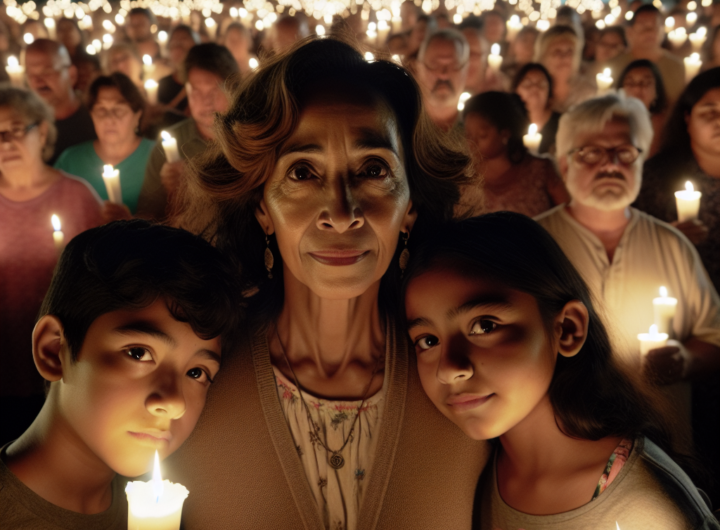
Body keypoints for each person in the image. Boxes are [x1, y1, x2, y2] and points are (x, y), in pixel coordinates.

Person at [165, 37, 488, 529]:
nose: (341, 213)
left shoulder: (472, 382)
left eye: (373, 169)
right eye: (303, 172)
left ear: (410, 208)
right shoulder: (194, 379)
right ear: (262, 209)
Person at [402, 212, 720, 530]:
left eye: (485, 326)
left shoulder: (644, 511)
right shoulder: (472, 469)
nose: (449, 368)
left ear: (567, 329)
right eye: (428, 340)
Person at [0, 219, 243, 527]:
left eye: (196, 372)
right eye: (139, 353)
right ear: (53, 350)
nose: (173, 402)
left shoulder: (166, 511)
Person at [536, 93, 720, 454]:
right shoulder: (533, 244)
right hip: (561, 443)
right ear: (563, 163)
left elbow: (713, 337)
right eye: (590, 152)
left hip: (661, 444)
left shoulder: (672, 246)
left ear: (641, 160)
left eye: (625, 152)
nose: (610, 165)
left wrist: (684, 362)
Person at [635, 69, 720, 503]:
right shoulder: (654, 178)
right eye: (710, 111)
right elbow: (631, 244)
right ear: (687, 117)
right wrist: (670, 238)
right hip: (680, 328)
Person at [0, 86, 102, 445]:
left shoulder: (76, 196)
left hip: (63, 362)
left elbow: (103, 280)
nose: (6, 141)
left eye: (16, 128)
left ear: (42, 131)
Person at [136, 43, 238, 222]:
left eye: (214, 90)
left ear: (232, 88)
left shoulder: (252, 139)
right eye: (196, 92)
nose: (206, 101)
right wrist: (173, 193)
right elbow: (148, 216)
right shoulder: (167, 146)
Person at [54, 73, 154, 220]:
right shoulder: (71, 160)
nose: (109, 119)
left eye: (118, 110)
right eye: (101, 110)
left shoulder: (157, 156)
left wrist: (131, 221)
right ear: (91, 115)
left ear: (137, 115)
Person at [460, 92, 568, 217]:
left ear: (505, 133)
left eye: (482, 135)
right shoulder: (463, 177)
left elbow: (568, 216)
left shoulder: (540, 170)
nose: (472, 142)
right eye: (468, 134)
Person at [24, 39, 97, 164]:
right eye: (31, 74)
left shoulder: (96, 118)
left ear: (72, 74)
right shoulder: (24, 127)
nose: (38, 81)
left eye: (47, 71)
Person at [607, 4, 685, 104]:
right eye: (642, 26)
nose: (649, 32)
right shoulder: (616, 64)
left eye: (654, 26)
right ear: (630, 31)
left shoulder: (676, 66)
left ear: (663, 30)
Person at [414, 29, 469, 131]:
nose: (443, 75)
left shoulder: (476, 131)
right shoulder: (401, 125)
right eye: (434, 65)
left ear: (466, 70)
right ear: (419, 69)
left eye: (454, 65)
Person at [535, 25, 596, 113]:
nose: (564, 57)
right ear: (543, 56)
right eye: (557, 51)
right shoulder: (535, 89)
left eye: (569, 51)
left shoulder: (588, 92)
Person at [617, 59, 668, 157]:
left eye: (646, 83)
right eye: (630, 83)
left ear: (657, 91)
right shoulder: (611, 120)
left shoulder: (661, 123)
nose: (637, 88)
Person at [512, 62, 561, 155]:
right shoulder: (509, 123)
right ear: (515, 90)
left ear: (549, 91)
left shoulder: (562, 124)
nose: (535, 88)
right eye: (527, 84)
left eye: (541, 84)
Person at [158, 25, 200, 113]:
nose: (178, 43)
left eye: (184, 38)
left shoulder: (204, 81)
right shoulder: (164, 85)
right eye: (174, 41)